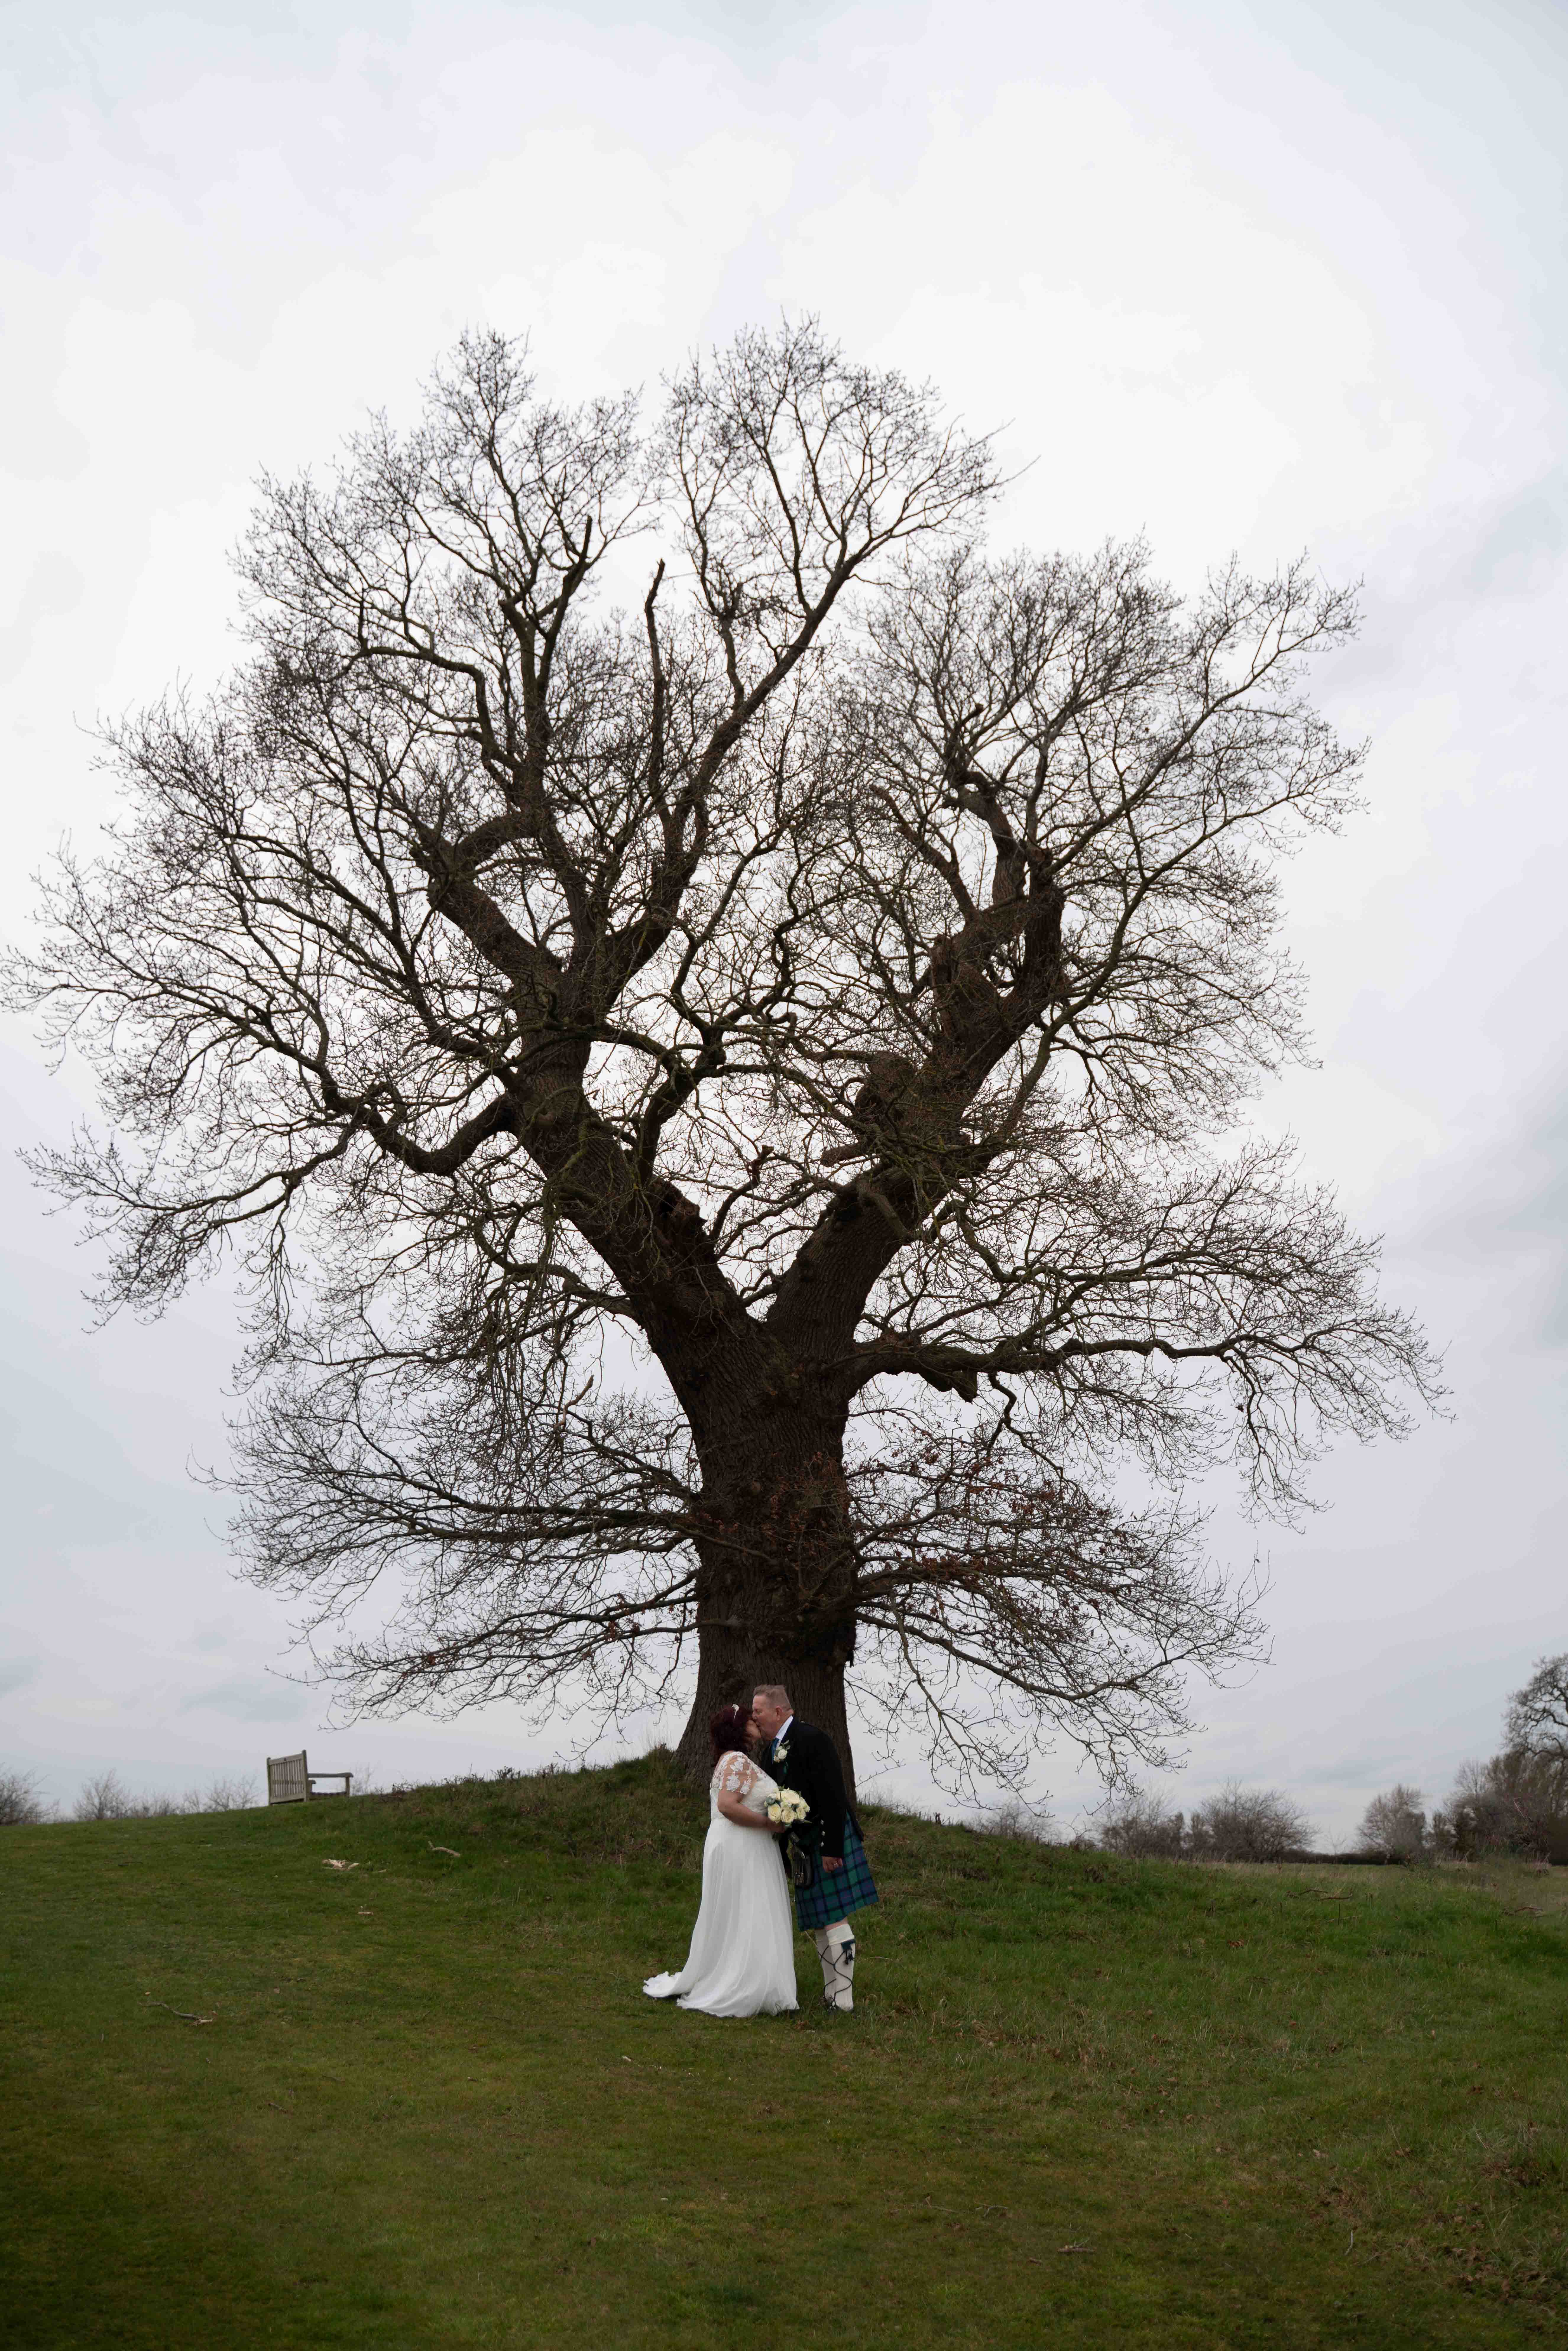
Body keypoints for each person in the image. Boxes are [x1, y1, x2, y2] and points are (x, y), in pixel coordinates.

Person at [642, 1704, 798, 2018]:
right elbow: (728, 1805)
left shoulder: (731, 1760)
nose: (755, 1721)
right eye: (749, 1720)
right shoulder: (737, 1760)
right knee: (749, 1910)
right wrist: (770, 1823)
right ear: (739, 1730)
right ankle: (743, 1983)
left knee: (741, 1911)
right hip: (741, 1845)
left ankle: (750, 1976)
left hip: (734, 1843)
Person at [749, 1683, 878, 2012]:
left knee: (834, 1916)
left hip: (824, 1838)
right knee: (820, 1919)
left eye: (758, 1711)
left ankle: (845, 2002)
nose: (755, 1717)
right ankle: (831, 1994)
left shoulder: (813, 1738)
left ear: (778, 1711)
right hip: (802, 1844)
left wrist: (833, 1847)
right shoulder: (770, 1751)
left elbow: (835, 1794)